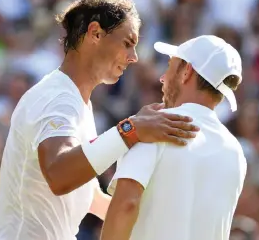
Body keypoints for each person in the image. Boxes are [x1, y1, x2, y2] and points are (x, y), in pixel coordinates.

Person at [0, 0, 200, 240]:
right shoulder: (58, 98)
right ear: (95, 33)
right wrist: (131, 130)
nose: (134, 58)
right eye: (127, 43)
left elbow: (89, 198)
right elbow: (59, 174)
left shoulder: (75, 101)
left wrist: (160, 224)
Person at [101, 35, 248, 240]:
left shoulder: (150, 126)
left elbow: (127, 204)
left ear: (186, 71)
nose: (162, 78)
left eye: (170, 65)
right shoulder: (236, 151)